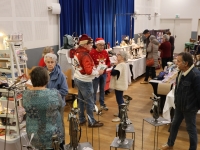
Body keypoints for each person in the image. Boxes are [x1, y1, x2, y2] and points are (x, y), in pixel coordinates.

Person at [160, 52, 200, 150]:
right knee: (174, 125)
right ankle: (170, 143)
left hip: (189, 108)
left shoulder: (196, 75)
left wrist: (194, 108)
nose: (176, 63)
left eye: (178, 61)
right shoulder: (180, 72)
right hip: (179, 106)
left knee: (191, 129)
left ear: (186, 63)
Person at [23, 67, 64, 149]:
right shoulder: (54, 94)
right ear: (46, 80)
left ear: (32, 80)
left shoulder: (26, 95)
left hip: (33, 135)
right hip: (53, 135)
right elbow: (61, 107)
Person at [73, 34, 104, 127]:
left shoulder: (76, 52)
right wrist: (98, 72)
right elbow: (89, 71)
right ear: (85, 44)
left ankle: (82, 119)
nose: (92, 46)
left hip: (78, 78)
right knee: (90, 101)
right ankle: (91, 121)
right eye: (90, 44)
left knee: (82, 101)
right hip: (85, 81)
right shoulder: (85, 55)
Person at [44, 53, 68, 117]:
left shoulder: (61, 75)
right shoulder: (42, 73)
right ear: (45, 62)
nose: (50, 64)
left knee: (59, 125)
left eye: (52, 62)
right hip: (46, 103)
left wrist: (50, 93)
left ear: (55, 62)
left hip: (58, 104)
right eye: (48, 62)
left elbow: (64, 91)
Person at [90, 37, 111, 111]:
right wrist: (95, 67)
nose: (102, 47)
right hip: (96, 74)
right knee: (94, 90)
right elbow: (90, 63)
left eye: (103, 45)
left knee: (102, 89)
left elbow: (108, 61)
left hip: (104, 73)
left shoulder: (105, 52)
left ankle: (102, 104)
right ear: (96, 45)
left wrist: (106, 66)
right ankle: (93, 105)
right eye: (100, 45)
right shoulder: (92, 53)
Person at [110, 50, 128, 122]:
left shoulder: (121, 65)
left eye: (119, 55)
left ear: (122, 57)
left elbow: (113, 72)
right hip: (120, 84)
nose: (117, 56)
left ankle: (121, 116)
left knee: (119, 100)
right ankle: (120, 113)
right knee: (119, 99)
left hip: (119, 85)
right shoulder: (122, 64)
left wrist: (114, 65)